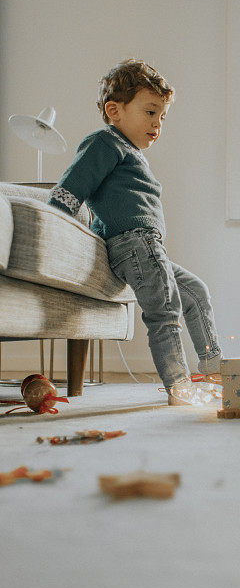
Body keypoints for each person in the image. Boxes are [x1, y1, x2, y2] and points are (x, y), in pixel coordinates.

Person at [46, 58, 223, 405]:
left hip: (147, 246)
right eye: (150, 112)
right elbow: (70, 189)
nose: (157, 124)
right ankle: (179, 385)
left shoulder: (130, 152)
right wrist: (56, 223)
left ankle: (214, 366)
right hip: (134, 242)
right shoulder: (105, 143)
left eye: (162, 117)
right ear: (115, 110)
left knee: (195, 292)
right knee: (165, 308)